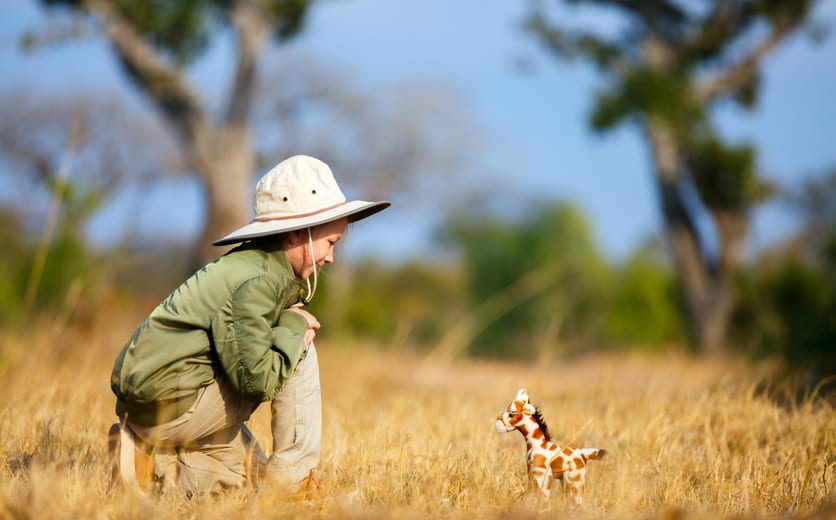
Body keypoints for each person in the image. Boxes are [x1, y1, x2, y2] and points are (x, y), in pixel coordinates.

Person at [109, 155, 390, 496]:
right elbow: (255, 380)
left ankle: (146, 460)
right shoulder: (256, 282)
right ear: (297, 234)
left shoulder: (254, 267)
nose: (331, 258)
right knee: (300, 345)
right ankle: (295, 481)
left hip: (156, 406)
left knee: (245, 480)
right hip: (173, 404)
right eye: (330, 243)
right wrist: (292, 328)